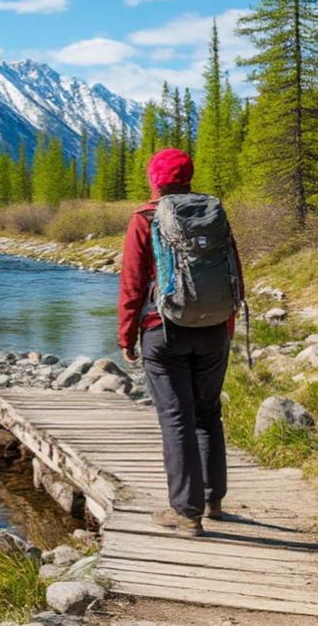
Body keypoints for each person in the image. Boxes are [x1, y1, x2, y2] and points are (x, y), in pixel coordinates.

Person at [118, 148, 244, 538]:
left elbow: (133, 285)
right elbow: (233, 273)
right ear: (189, 177)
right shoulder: (213, 215)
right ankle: (213, 500)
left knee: (177, 419)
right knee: (208, 414)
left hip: (162, 330)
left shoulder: (146, 218)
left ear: (154, 180)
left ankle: (186, 514)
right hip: (213, 328)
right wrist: (227, 324)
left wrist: (126, 335)